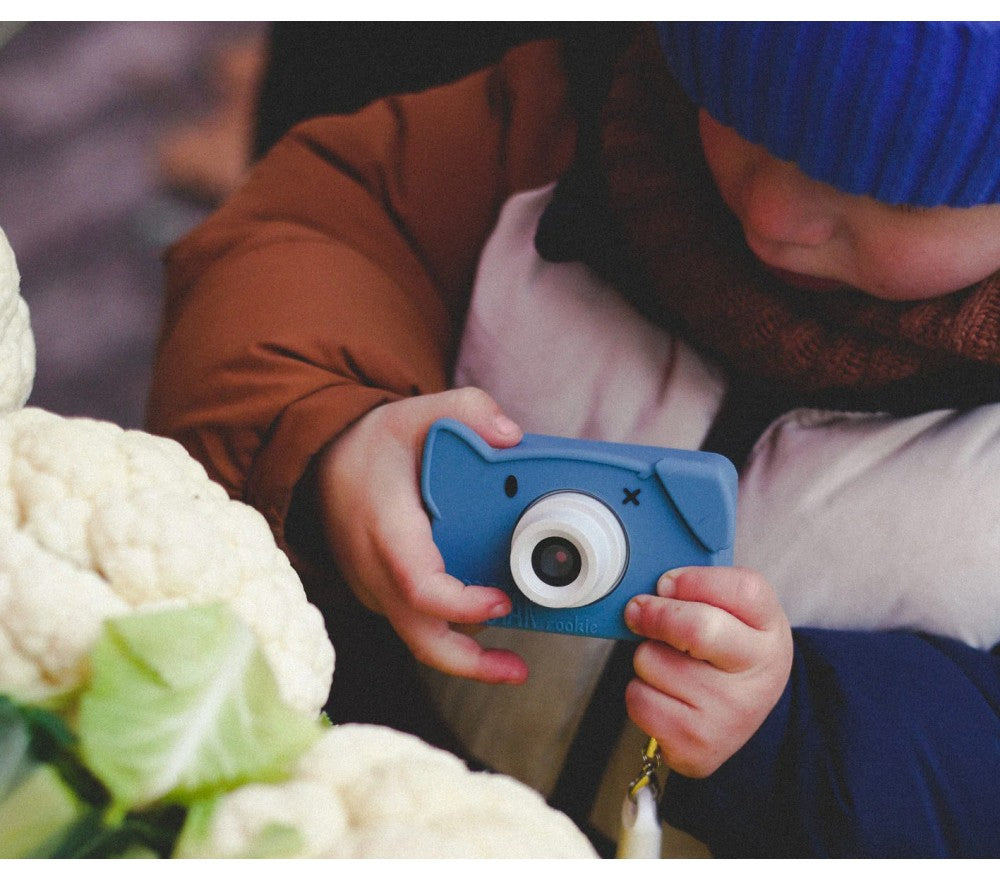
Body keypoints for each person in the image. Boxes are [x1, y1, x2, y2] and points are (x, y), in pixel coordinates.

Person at [147, 22, 1000, 856]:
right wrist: (330, 433)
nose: (776, 215)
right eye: (743, 119)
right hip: (346, 773)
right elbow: (306, 235)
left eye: (894, 194)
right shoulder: (565, 121)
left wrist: (800, 730)